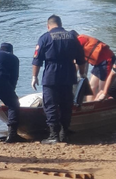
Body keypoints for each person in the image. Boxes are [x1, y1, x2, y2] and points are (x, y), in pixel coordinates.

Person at [31, 15, 84, 145]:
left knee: (50, 105)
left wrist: (34, 76)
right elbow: (81, 58)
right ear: (60, 24)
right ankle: (64, 134)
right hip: (69, 74)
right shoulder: (72, 37)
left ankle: (54, 135)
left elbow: (37, 60)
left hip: (51, 75)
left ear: (48, 26)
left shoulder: (45, 37)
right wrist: (82, 74)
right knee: (66, 105)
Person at [76, 34, 116, 98]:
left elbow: (78, 60)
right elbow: (77, 61)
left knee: (102, 89)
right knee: (91, 87)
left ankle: (100, 103)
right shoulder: (76, 44)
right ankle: (91, 103)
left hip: (107, 60)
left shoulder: (80, 39)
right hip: (98, 63)